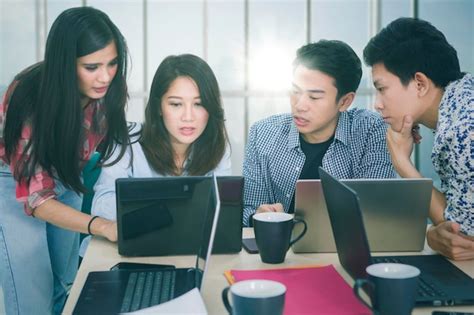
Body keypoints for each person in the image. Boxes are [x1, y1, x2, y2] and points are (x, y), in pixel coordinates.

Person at [0, 7, 130, 314]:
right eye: (92, 66)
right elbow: (37, 199)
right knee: (34, 299)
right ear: (65, 64)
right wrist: (100, 225)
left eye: (112, 63)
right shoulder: (29, 96)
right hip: (13, 179)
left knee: (67, 287)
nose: (106, 76)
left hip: (65, 171)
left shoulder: (109, 91)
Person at [242, 40, 395, 226]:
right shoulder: (263, 134)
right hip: (280, 249)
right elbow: (247, 209)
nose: (299, 105)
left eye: (314, 97)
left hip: (346, 249)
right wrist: (258, 214)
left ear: (345, 101)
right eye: (295, 91)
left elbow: (375, 210)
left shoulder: (370, 129)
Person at [363, 17, 474, 261]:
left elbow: (461, 238)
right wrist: (434, 233)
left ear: (420, 84)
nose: (378, 104)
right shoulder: (464, 94)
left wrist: (402, 163)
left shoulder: (461, 130)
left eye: (382, 89)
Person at [90, 54, 231, 222]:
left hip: (187, 245)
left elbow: (223, 210)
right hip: (133, 243)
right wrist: (166, 212)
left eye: (199, 104)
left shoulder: (215, 146)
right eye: (176, 104)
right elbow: (102, 206)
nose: (188, 117)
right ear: (158, 107)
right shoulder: (127, 142)